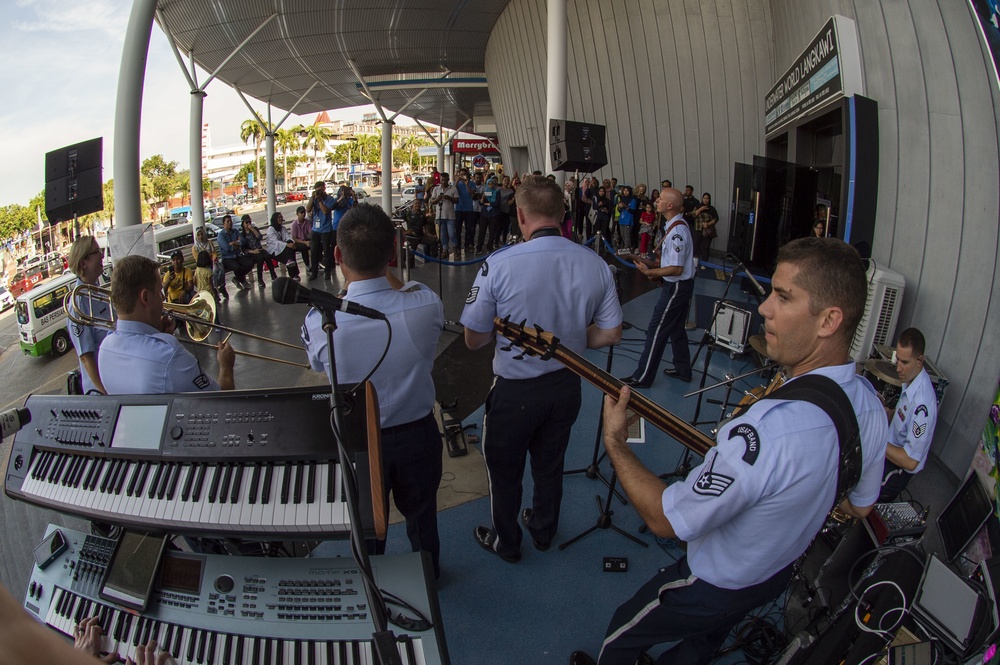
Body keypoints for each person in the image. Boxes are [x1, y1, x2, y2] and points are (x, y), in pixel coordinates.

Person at [572, 237, 889, 665]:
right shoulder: (870, 404)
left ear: (829, 320)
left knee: (623, 633)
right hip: (773, 575)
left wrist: (615, 442)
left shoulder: (768, 430)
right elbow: (860, 505)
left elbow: (664, 520)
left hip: (713, 582)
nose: (764, 308)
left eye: (784, 296)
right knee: (702, 645)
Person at [461, 175, 623, 562]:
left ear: (519, 214)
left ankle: (508, 542)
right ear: (563, 212)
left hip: (515, 393)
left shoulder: (498, 263)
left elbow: (473, 338)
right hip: (566, 387)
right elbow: (612, 332)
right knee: (550, 465)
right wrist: (571, 342)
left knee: (504, 472)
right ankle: (543, 530)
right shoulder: (594, 263)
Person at [301, 205, 445, 577]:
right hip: (418, 436)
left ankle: (371, 585)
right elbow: (400, 286)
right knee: (423, 519)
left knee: (366, 529)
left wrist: (348, 287)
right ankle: (428, 576)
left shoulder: (319, 321)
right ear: (393, 254)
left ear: (337, 255)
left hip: (360, 444)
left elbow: (318, 367)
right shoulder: (425, 305)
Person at [99, 254, 235, 394]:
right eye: (159, 292)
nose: (163, 298)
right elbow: (222, 399)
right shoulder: (169, 355)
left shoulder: (104, 349)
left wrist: (159, 336)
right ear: (145, 298)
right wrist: (226, 366)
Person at [622, 188, 695, 387]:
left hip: (676, 288)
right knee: (676, 329)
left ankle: (642, 376)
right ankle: (683, 369)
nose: (657, 201)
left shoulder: (677, 232)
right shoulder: (673, 226)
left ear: (669, 205)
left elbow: (676, 268)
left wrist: (650, 273)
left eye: (661, 199)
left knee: (656, 330)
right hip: (681, 286)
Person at [879, 328, 938, 501]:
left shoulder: (922, 406)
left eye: (905, 362)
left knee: (857, 486)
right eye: (898, 359)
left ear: (920, 360)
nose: (898, 368)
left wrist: (877, 437)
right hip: (890, 447)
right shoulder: (910, 380)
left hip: (898, 469)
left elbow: (910, 461)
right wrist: (885, 414)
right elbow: (900, 421)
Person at [66, 235, 109, 395]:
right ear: (84, 263)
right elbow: (86, 357)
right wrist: (105, 392)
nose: (102, 256)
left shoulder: (98, 291)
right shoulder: (78, 304)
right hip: (102, 391)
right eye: (97, 252)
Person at [306, 180, 335, 280]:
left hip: (326, 230)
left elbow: (326, 211)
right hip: (315, 229)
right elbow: (308, 209)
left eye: (321, 190)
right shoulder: (314, 198)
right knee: (314, 251)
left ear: (324, 189)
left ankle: (327, 271)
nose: (319, 193)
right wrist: (312, 199)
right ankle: (314, 271)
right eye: (317, 191)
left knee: (327, 252)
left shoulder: (330, 199)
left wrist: (319, 201)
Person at [216, 214, 253, 291]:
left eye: (231, 221)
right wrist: (237, 243)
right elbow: (227, 248)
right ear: (223, 224)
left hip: (238, 255)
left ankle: (237, 278)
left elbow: (243, 241)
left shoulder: (235, 231)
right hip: (227, 258)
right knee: (236, 267)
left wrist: (233, 243)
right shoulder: (221, 235)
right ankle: (243, 280)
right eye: (228, 221)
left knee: (250, 263)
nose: (230, 223)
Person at [240, 214, 277, 287]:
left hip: (259, 248)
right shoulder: (242, 234)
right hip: (252, 252)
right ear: (243, 224)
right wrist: (253, 251)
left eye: (249, 222)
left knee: (267, 256)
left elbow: (259, 237)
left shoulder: (254, 229)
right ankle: (260, 279)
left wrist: (252, 229)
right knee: (260, 259)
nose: (248, 224)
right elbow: (243, 248)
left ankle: (273, 275)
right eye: (246, 222)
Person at [264, 211, 302, 281]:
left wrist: (291, 243)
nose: (280, 219)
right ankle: (294, 274)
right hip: (273, 250)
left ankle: (293, 272)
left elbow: (287, 237)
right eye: (278, 217)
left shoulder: (282, 228)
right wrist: (287, 245)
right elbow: (275, 242)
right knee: (289, 254)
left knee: (291, 250)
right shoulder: (271, 229)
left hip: (283, 248)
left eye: (281, 217)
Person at [430, 172, 459, 257]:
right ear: (440, 179)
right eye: (442, 180)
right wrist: (438, 198)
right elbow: (432, 201)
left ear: (448, 180)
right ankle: (445, 250)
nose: (444, 182)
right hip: (440, 216)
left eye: (446, 180)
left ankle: (455, 249)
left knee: (452, 234)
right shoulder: (436, 189)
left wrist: (449, 197)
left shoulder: (453, 189)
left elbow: (457, 200)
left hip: (450, 216)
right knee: (442, 235)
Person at [691, 192, 719, 262]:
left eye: (707, 198)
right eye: (704, 198)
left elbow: (716, 219)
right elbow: (693, 215)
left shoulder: (712, 209)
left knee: (705, 247)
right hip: (697, 230)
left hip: (707, 231)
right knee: (695, 246)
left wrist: (708, 224)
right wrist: (701, 209)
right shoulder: (697, 207)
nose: (706, 200)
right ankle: (693, 261)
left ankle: (704, 263)